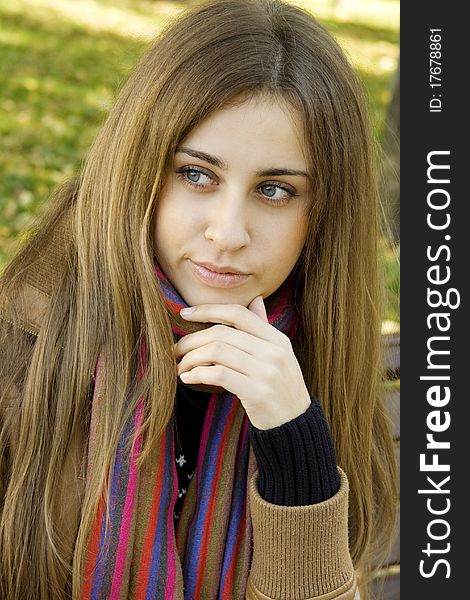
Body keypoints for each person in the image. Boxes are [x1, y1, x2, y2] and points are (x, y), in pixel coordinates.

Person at [0, 0, 399, 598]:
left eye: (274, 189)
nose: (228, 232)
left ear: (321, 215)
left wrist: (295, 448)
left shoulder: (315, 365)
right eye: (196, 174)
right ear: (142, 169)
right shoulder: (26, 347)